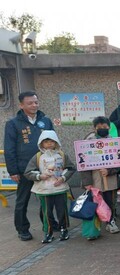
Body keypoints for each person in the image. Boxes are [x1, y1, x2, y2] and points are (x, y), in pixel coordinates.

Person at [4, 91, 54, 241]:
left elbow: (54, 142)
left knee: (47, 198)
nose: (34, 105)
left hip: (45, 167)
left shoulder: (45, 121)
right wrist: (13, 170)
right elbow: (9, 148)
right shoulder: (13, 124)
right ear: (21, 105)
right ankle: (22, 229)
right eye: (30, 103)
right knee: (22, 200)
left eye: (36, 102)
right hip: (25, 169)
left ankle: (49, 223)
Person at [24, 130, 75, 243]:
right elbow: (28, 173)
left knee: (62, 210)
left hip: (60, 188)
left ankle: (64, 229)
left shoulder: (62, 155)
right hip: (44, 190)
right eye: (46, 141)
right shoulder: (37, 157)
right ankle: (48, 232)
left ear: (56, 142)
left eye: (52, 141)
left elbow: (71, 168)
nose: (49, 144)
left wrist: (63, 178)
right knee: (47, 212)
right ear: (41, 143)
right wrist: (40, 176)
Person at [80, 117, 120, 234]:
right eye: (99, 127)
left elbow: (119, 161)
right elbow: (83, 164)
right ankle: (95, 224)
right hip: (95, 178)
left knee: (110, 200)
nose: (102, 129)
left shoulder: (114, 142)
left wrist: (110, 171)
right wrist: (87, 182)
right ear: (94, 128)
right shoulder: (87, 142)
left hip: (110, 178)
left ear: (109, 127)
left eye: (105, 127)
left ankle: (110, 221)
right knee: (96, 201)